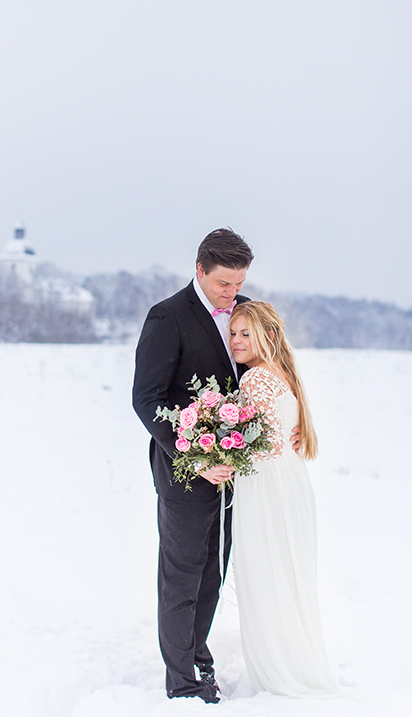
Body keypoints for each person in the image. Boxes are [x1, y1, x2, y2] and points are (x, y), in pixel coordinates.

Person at [131, 228, 254, 703]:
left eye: (239, 283)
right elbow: (147, 400)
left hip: (234, 469)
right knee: (182, 572)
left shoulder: (244, 313)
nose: (233, 293)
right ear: (199, 269)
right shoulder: (167, 317)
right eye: (224, 283)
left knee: (214, 571)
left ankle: (199, 653)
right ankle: (181, 679)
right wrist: (196, 459)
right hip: (182, 470)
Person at [228, 301, 338, 697]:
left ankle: (279, 673)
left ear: (269, 337)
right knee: (285, 576)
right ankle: (294, 661)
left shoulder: (254, 379)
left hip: (266, 489)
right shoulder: (284, 374)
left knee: (266, 574)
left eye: (246, 333)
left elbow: (264, 447)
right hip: (289, 485)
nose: (236, 341)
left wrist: (219, 451)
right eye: (234, 332)